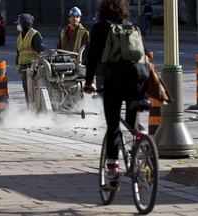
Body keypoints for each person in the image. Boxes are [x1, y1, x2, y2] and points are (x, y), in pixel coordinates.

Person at [83, 0, 149, 190]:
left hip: (114, 80)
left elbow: (93, 58)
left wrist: (89, 83)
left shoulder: (99, 28)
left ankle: (112, 175)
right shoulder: (131, 27)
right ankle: (141, 148)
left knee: (113, 126)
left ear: (102, 10)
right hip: (138, 79)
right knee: (132, 123)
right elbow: (143, 55)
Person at [15, 13, 45, 105]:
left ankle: (36, 110)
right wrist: (18, 64)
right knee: (27, 89)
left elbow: (41, 52)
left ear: (25, 24)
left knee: (34, 90)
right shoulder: (20, 36)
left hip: (33, 69)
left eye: (20, 23)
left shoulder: (34, 35)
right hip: (24, 69)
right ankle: (30, 110)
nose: (18, 25)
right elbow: (19, 51)